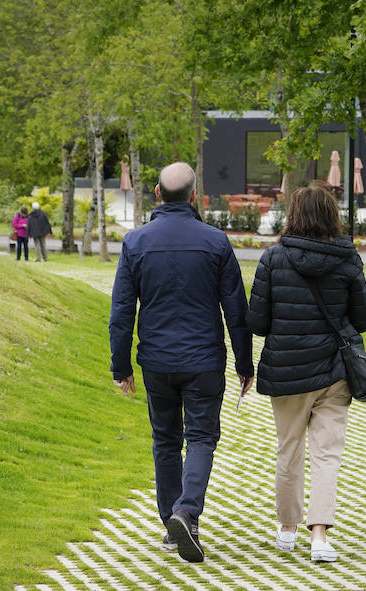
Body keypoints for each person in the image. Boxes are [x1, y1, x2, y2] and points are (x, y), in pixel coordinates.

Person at [108, 162, 254, 563]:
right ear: (194, 195)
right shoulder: (216, 242)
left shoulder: (135, 243)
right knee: (202, 437)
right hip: (204, 359)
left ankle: (171, 524)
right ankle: (186, 513)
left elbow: (122, 311)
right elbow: (236, 310)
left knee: (166, 440)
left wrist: (120, 366)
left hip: (156, 361)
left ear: (157, 193)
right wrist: (245, 364)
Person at [247, 181, 366, 562]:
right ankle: (320, 537)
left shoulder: (273, 259)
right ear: (331, 216)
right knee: (327, 454)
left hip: (286, 373)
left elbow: (257, 322)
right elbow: (364, 319)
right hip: (335, 372)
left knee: (289, 450)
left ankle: (288, 529)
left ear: (293, 216)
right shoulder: (347, 258)